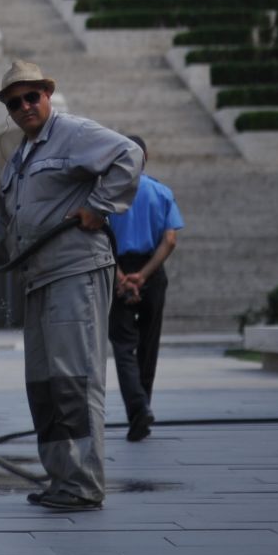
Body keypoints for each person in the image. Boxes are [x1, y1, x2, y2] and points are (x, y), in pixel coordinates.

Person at [0, 60, 140, 511]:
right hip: (38, 279)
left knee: (75, 379)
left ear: (46, 95)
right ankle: (62, 479)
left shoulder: (73, 133)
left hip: (75, 271)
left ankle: (83, 483)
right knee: (45, 383)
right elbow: (5, 222)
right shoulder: (18, 159)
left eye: (31, 97)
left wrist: (100, 205)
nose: (24, 107)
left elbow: (129, 156)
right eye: (14, 102)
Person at [105, 135, 183, 443]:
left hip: (118, 269)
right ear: (146, 157)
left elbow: (101, 239)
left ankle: (137, 409)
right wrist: (145, 275)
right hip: (153, 269)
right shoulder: (162, 192)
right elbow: (171, 240)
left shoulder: (108, 195)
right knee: (148, 346)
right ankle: (143, 409)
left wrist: (123, 277)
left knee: (124, 346)